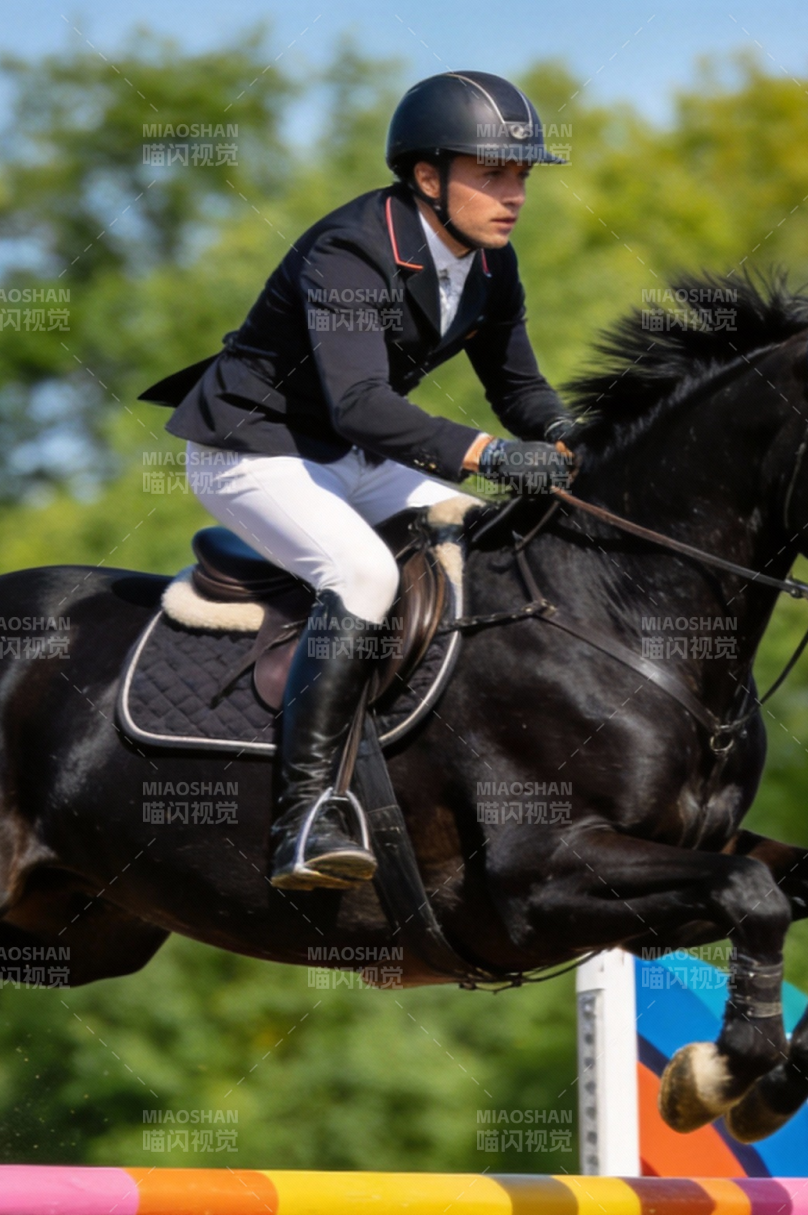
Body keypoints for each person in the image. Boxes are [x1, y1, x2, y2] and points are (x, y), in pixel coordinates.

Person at [141, 72, 576, 891]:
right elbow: (362, 405)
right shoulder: (350, 250)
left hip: (349, 454)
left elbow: (518, 390)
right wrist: (489, 455)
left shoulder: (492, 265)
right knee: (365, 573)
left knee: (480, 545)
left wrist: (569, 437)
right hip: (253, 447)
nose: (514, 193)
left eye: (521, 174)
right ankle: (306, 813)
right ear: (425, 176)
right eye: (493, 173)